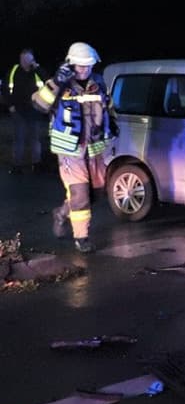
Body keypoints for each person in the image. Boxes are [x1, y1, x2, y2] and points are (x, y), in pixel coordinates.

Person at [30, 42, 118, 254]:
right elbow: (39, 104)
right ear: (71, 64)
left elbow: (108, 106)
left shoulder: (98, 82)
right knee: (80, 195)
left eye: (88, 66)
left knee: (95, 194)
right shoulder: (60, 83)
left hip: (95, 148)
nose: (84, 70)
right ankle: (81, 238)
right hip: (70, 150)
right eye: (80, 66)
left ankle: (61, 213)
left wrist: (113, 125)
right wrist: (56, 82)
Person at [7, 48, 45, 173]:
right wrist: (10, 105)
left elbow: (48, 81)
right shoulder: (14, 71)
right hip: (18, 111)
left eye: (27, 59)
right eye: (22, 59)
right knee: (18, 139)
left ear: (32, 59)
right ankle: (17, 165)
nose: (24, 62)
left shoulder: (37, 72)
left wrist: (37, 68)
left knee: (35, 140)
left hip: (35, 111)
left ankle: (36, 164)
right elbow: (6, 89)